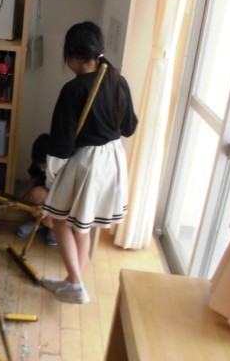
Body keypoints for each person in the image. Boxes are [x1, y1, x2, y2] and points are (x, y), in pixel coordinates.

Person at [41, 21, 137, 304]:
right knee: (83, 224)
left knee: (59, 219)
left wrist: (52, 177)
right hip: (113, 158)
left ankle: (76, 283)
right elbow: (129, 127)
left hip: (88, 163)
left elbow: (61, 144)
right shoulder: (118, 81)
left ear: (71, 55)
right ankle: (74, 282)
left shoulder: (73, 89)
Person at [15, 133, 58, 246]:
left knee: (51, 219)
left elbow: (63, 196)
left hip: (58, 200)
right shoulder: (38, 160)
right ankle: (38, 222)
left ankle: (54, 228)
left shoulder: (61, 167)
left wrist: (47, 209)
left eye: (44, 166)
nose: (42, 170)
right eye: (40, 167)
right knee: (36, 194)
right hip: (43, 193)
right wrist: (26, 194)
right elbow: (33, 178)